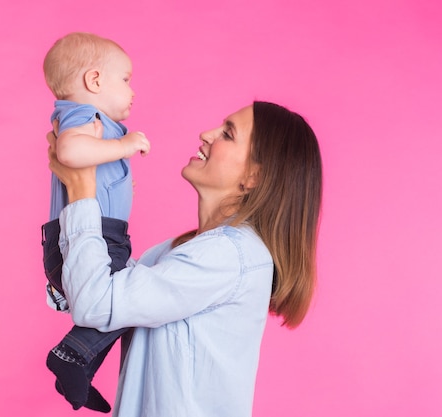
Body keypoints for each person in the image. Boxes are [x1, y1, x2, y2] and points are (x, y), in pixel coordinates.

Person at [46, 101, 323, 416]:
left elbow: (94, 303)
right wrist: (99, 196)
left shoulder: (227, 256)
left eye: (228, 134)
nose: (206, 134)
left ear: (254, 176)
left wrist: (83, 190)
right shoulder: (175, 252)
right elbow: (90, 291)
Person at [40, 32, 150, 412]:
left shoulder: (93, 122)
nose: (132, 90)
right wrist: (124, 146)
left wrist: (117, 176)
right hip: (89, 236)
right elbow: (70, 150)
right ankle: (72, 356)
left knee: (125, 303)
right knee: (126, 301)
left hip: (95, 235)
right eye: (126, 79)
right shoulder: (84, 114)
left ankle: (79, 367)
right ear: (94, 81)